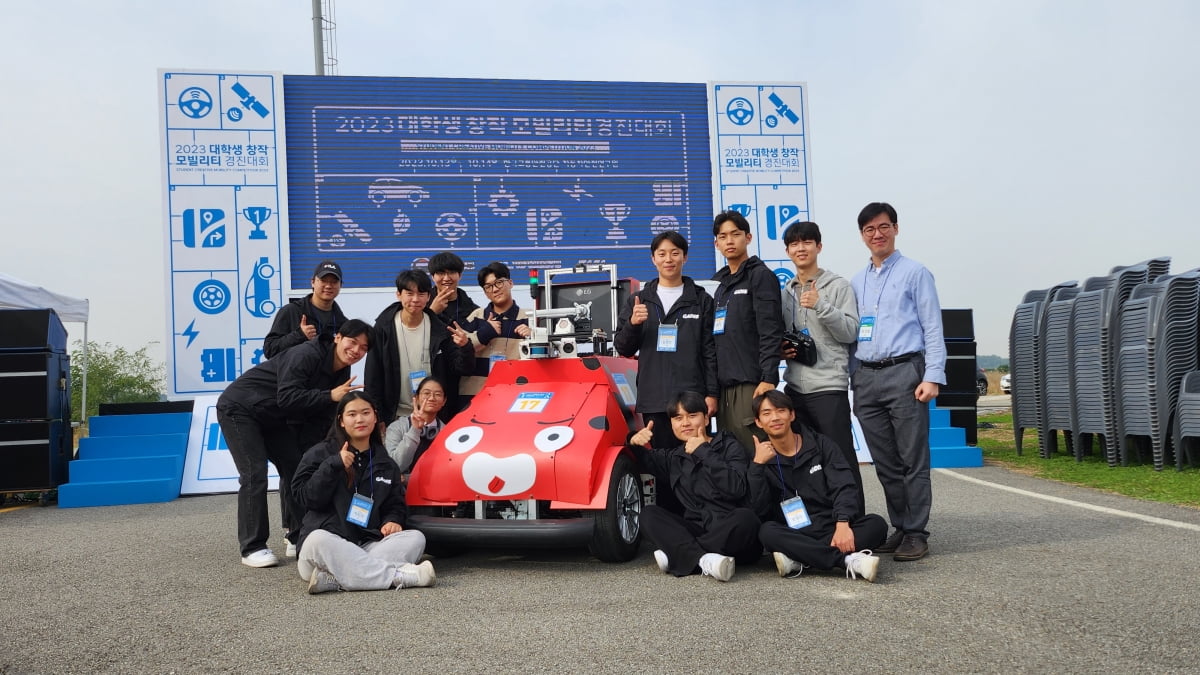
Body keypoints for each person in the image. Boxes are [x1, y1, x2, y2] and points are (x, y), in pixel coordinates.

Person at [216, 319, 373, 568]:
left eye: (363, 348)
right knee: (254, 474)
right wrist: (329, 395)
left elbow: (321, 414)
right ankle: (252, 547)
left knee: (297, 468)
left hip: (274, 417)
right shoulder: (306, 353)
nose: (356, 351)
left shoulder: (341, 371)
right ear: (337, 338)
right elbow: (288, 396)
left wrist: (329, 449)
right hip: (240, 408)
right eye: (352, 342)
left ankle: (299, 535)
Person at [850, 202, 946, 562]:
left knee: (912, 459)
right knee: (885, 462)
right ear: (862, 235)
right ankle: (901, 526)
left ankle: (917, 532)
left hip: (906, 372)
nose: (877, 234)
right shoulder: (856, 281)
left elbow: (933, 327)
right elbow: (852, 334)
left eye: (884, 226)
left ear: (896, 229)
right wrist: (853, 378)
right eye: (870, 229)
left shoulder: (915, 272)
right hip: (867, 377)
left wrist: (932, 376)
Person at [292, 390, 435, 594]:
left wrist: (392, 520)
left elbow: (395, 503)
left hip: (367, 545)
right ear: (341, 420)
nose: (360, 419)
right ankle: (398, 577)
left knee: (416, 538)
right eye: (352, 414)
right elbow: (305, 499)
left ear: (375, 416)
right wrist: (333, 465)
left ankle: (337, 578)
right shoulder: (320, 454)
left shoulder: (384, 461)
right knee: (317, 539)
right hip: (327, 548)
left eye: (366, 413)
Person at [748, 390, 886, 582]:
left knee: (876, 524)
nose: (775, 417)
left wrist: (843, 523)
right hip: (793, 532)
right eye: (767, 413)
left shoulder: (821, 445)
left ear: (792, 415)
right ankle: (847, 561)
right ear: (758, 422)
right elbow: (759, 509)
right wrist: (757, 466)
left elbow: (844, 485)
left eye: (781, 410)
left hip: (831, 527)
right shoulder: (760, 457)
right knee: (767, 532)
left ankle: (800, 559)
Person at [628, 391, 760, 582]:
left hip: (732, 533)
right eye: (678, 418)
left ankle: (681, 553)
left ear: (706, 419)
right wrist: (633, 440)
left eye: (692, 416)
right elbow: (644, 459)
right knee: (649, 514)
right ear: (672, 423)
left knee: (747, 518)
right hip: (697, 528)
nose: (685, 423)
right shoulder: (674, 457)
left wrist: (703, 452)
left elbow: (736, 488)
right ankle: (705, 560)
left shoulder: (730, 446)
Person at [779, 221, 864, 513]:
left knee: (840, 458)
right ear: (788, 251)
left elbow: (851, 332)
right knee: (806, 461)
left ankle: (854, 521)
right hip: (795, 388)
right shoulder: (785, 291)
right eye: (794, 244)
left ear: (819, 246)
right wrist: (783, 349)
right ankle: (822, 522)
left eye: (807, 242)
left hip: (828, 388)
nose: (800, 249)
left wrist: (821, 306)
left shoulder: (838, 286)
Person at [614, 231, 718, 451]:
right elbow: (622, 347)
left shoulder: (701, 300)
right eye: (662, 254)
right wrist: (633, 324)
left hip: (692, 398)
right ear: (653, 259)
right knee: (661, 465)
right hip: (655, 398)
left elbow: (710, 351)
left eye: (675, 253)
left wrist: (711, 394)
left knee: (697, 457)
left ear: (685, 257)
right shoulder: (638, 300)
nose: (668, 259)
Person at [711, 210, 784, 453]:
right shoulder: (719, 285)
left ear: (748, 238)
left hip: (751, 384)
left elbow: (770, 329)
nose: (729, 241)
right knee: (732, 458)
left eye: (736, 234)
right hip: (724, 389)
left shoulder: (760, 276)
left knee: (757, 454)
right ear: (716, 243)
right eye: (723, 236)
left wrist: (768, 378)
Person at [364, 269, 474, 426]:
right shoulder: (384, 328)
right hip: (395, 417)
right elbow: (373, 376)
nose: (415, 299)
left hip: (434, 417)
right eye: (409, 293)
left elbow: (461, 369)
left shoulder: (440, 328)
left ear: (429, 297)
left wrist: (465, 347)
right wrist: (378, 417)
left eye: (421, 294)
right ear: (399, 295)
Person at [459, 261, 531, 407]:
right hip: (474, 395)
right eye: (488, 287)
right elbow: (460, 350)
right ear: (485, 293)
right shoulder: (476, 316)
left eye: (499, 283)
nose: (495, 289)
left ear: (510, 283)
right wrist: (484, 333)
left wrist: (533, 336)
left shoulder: (528, 318)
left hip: (514, 395)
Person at [263, 260, 348, 359]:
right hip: (292, 374)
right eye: (323, 280)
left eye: (334, 282)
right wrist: (299, 335)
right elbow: (269, 350)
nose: (328, 286)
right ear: (312, 282)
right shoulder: (291, 311)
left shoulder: (343, 323)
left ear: (341, 285)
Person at [384, 376, 447, 476]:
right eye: (426, 393)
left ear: (444, 401)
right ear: (416, 398)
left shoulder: (447, 432)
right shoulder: (397, 427)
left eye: (438, 394)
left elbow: (446, 470)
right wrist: (415, 430)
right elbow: (395, 466)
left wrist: (408, 479)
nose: (431, 398)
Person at [427, 251, 480, 327]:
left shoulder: (473, 310)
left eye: (451, 272)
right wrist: (432, 312)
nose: (446, 278)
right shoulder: (421, 304)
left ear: (460, 275)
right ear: (432, 277)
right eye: (441, 273)